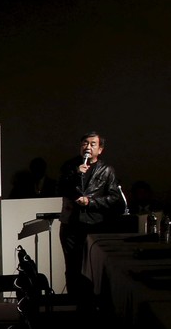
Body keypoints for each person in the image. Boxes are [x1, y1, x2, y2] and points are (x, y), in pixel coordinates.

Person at [58, 131, 124, 309]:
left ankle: (94, 305)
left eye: (92, 144)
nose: (87, 147)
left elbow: (114, 198)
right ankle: (75, 305)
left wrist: (91, 202)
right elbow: (60, 188)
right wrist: (74, 173)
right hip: (71, 224)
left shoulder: (107, 170)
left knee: (94, 268)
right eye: (84, 143)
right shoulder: (70, 166)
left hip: (95, 226)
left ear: (100, 149)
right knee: (72, 266)